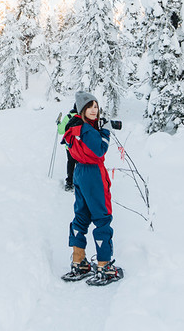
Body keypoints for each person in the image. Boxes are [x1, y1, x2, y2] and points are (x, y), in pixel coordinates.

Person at [60, 91, 124, 285]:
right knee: (102, 217)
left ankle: (79, 261)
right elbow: (99, 150)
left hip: (80, 172)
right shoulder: (87, 130)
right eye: (90, 107)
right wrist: (104, 132)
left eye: (96, 106)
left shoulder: (75, 128)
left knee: (81, 216)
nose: (94, 110)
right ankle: (104, 265)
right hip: (94, 175)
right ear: (82, 109)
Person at [57, 104, 78, 191]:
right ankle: (79, 182)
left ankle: (69, 182)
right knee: (80, 164)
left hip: (69, 146)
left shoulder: (68, 117)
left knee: (71, 162)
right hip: (80, 146)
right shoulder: (83, 117)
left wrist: (58, 124)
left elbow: (61, 131)